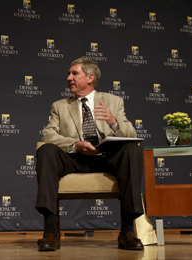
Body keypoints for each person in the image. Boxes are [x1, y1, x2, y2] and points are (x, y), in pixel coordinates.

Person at [35, 58, 144, 251]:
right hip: (75, 158)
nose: (69, 78)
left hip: (106, 157)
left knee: (132, 150)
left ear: (90, 77)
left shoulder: (113, 101)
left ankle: (127, 232)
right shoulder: (60, 105)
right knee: (46, 150)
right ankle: (50, 232)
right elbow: (48, 134)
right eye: (69, 74)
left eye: (74, 73)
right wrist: (75, 145)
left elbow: (131, 135)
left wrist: (113, 122)